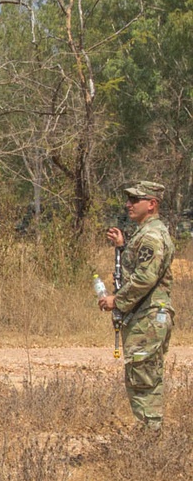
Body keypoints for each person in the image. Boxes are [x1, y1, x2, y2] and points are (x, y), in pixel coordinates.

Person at [98, 181, 175, 432]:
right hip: (147, 316)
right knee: (146, 376)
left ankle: (149, 441)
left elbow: (145, 278)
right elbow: (140, 267)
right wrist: (123, 246)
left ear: (152, 204)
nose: (128, 204)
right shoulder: (146, 233)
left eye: (135, 200)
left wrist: (116, 301)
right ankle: (149, 438)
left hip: (149, 317)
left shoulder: (152, 235)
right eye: (128, 199)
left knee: (143, 381)